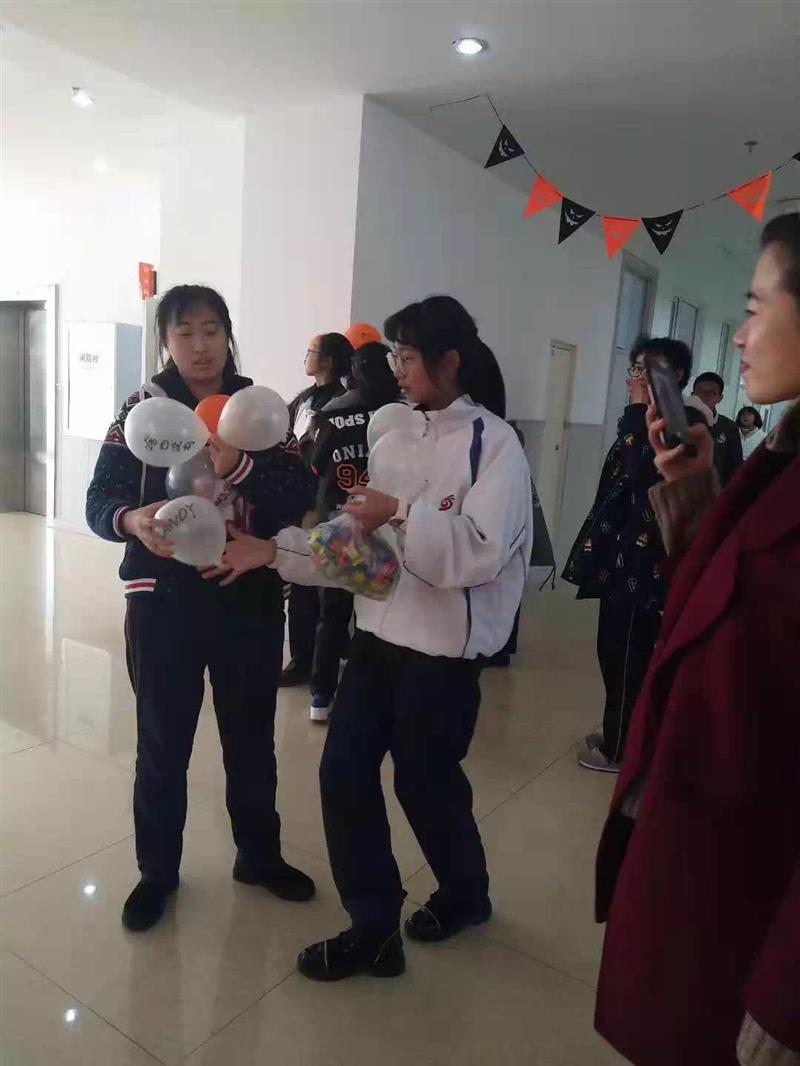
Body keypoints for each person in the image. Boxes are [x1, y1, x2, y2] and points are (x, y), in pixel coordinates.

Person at [209, 295, 534, 982]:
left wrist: (403, 512)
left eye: (408, 357)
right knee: (342, 773)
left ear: (450, 361)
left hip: (443, 658)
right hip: (378, 642)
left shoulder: (496, 445)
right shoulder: (397, 438)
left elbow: (478, 556)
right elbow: (363, 551)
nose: (398, 370)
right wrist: (273, 551)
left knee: (425, 783)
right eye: (396, 357)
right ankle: (373, 926)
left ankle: (465, 893)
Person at [595, 213, 800, 1065]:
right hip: (705, 841)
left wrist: (787, 1000)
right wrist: (694, 494)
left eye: (755, 308)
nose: (742, 336)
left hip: (756, 882)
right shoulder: (780, 455)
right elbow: (741, 602)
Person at [85, 285, 315, 932]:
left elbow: (296, 494)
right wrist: (132, 519)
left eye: (211, 330)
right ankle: (157, 872)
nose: (200, 345)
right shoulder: (141, 409)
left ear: (227, 334)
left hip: (248, 597)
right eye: (184, 332)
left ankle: (259, 856)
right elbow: (99, 499)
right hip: (163, 603)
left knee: (252, 740)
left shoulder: (258, 408)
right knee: (163, 743)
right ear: (165, 341)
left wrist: (239, 467)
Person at [563, 338, 707, 774]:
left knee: (628, 655)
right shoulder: (650, 419)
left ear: (673, 376)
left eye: (645, 370)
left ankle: (621, 748)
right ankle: (619, 731)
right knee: (615, 651)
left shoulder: (681, 425)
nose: (635, 378)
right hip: (622, 558)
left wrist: (637, 412)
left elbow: (646, 479)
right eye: (635, 369)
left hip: (645, 568)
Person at [305, 340, 402, 721]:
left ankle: (320, 697)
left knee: (332, 615)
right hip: (390, 527)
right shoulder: (404, 414)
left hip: (339, 528)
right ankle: (371, 702)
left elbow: (315, 465)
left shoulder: (331, 413)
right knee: (378, 617)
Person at [281, 333, 353, 688]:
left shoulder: (337, 405)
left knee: (316, 589)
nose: (305, 357)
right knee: (302, 586)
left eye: (311, 352)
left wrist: (312, 505)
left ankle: (311, 662)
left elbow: (319, 460)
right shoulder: (304, 399)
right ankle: (306, 657)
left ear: (327, 361)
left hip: (321, 505)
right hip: (300, 500)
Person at [692, 370, 743, 485]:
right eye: (700, 392)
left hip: (716, 490)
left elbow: (735, 467)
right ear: (692, 395)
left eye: (711, 393)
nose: (704, 397)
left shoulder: (729, 427)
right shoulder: (680, 422)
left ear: (720, 398)